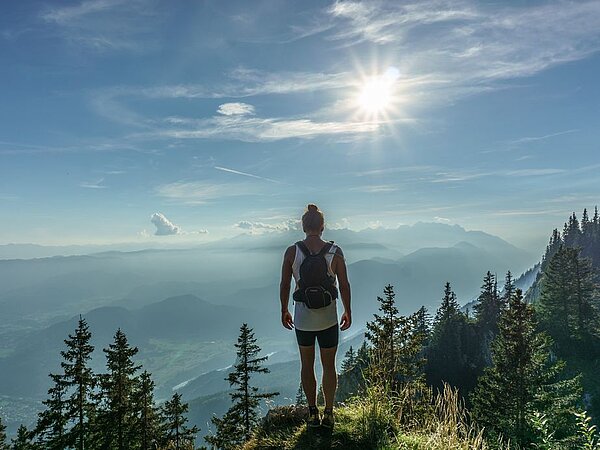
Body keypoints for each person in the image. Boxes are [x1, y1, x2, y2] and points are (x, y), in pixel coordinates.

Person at [279, 204, 351, 429]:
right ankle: (329, 413)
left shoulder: (293, 251)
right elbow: (344, 284)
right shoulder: (335, 251)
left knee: (307, 365)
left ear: (303, 226)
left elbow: (285, 283)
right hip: (329, 318)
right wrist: (348, 310)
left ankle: (312, 413)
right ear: (322, 226)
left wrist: (284, 309)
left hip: (303, 319)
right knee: (329, 366)